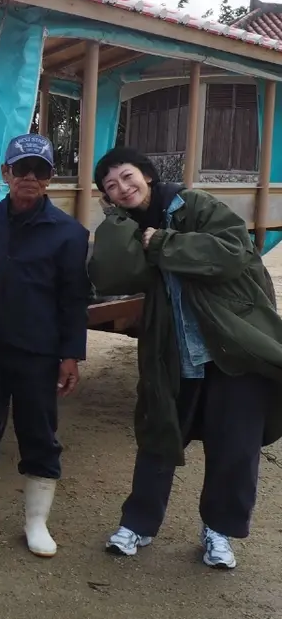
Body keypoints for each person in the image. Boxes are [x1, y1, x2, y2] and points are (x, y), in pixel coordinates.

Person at [88, 146, 282, 570]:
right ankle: (138, 524)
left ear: (148, 175)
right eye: (111, 187)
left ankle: (220, 531)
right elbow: (108, 274)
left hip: (234, 350)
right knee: (158, 434)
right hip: (175, 353)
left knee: (236, 447)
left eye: (128, 176)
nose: (123, 188)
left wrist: (164, 242)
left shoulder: (193, 205)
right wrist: (118, 221)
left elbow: (233, 252)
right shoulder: (127, 226)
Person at [0, 133, 91, 558]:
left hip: (38, 352)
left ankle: (36, 521)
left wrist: (70, 356)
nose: (29, 177)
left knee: (39, 435)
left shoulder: (69, 233)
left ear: (49, 178)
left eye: (39, 170)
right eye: (20, 168)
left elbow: (74, 300)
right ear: (5, 173)